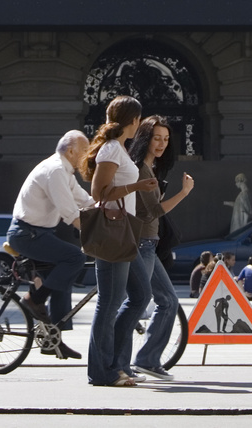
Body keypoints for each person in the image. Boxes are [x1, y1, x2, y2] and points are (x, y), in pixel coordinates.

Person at [78, 95, 158, 387]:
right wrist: (137, 185)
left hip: (126, 233)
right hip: (114, 234)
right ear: (133, 120)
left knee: (140, 295)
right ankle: (101, 371)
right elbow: (99, 193)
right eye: (139, 120)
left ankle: (117, 362)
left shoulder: (118, 149)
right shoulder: (111, 149)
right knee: (109, 303)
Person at [6, 130, 93, 359]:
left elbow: (85, 200)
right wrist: (99, 234)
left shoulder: (65, 172)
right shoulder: (55, 170)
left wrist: (109, 211)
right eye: (85, 150)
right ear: (72, 150)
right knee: (75, 258)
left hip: (39, 233)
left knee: (63, 279)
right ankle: (34, 299)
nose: (88, 155)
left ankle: (53, 339)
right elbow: (70, 212)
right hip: (27, 234)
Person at [124, 116, 195, 379]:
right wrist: (185, 193)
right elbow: (153, 211)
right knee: (141, 302)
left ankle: (146, 360)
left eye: (165, 139)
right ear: (145, 138)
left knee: (166, 301)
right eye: (156, 138)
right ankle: (128, 361)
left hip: (148, 244)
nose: (162, 144)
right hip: (141, 244)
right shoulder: (140, 169)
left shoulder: (150, 169)